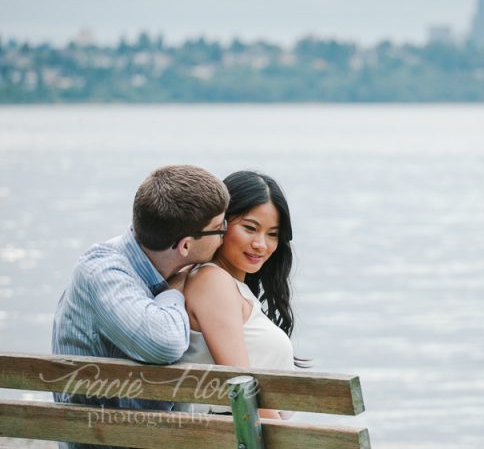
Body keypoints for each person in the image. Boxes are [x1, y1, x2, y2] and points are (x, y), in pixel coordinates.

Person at [51, 165, 230, 420]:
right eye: (219, 227)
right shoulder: (102, 272)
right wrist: (176, 289)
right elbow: (164, 343)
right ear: (185, 245)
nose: (226, 231)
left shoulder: (151, 259)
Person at [176, 170, 302, 419]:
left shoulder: (229, 286)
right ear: (220, 223)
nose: (261, 244)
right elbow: (242, 384)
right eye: (250, 228)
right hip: (236, 437)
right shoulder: (212, 282)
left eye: (272, 234)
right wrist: (288, 439)